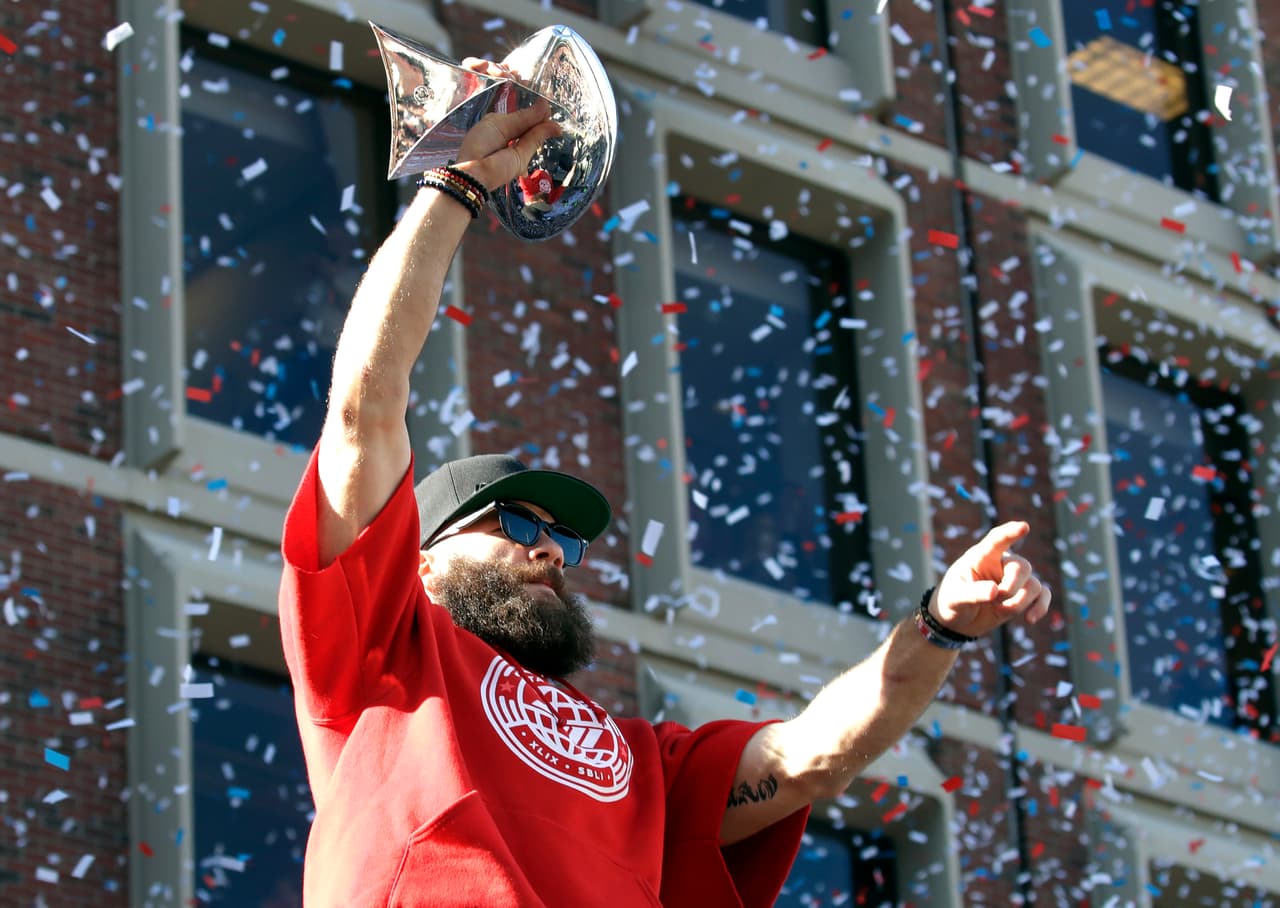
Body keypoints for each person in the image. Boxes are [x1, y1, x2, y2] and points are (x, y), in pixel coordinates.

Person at [277, 61, 1053, 908]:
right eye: (511, 522)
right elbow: (366, 407)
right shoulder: (380, 649)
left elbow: (806, 759)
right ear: (419, 561)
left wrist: (940, 625)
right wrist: (460, 180)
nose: (550, 550)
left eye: (563, 538)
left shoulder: (643, 759)